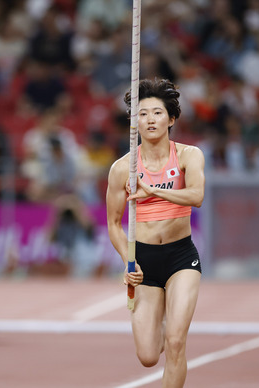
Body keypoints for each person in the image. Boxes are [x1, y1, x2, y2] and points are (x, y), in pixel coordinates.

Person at [106, 78, 204, 387]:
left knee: (176, 343)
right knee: (148, 355)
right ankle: (163, 317)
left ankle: (172, 323)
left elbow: (196, 197)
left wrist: (152, 190)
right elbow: (113, 224)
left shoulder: (189, 155)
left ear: (171, 119)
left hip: (181, 257)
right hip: (144, 260)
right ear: (134, 121)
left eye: (157, 113)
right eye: (143, 113)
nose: (150, 119)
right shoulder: (123, 169)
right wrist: (129, 260)